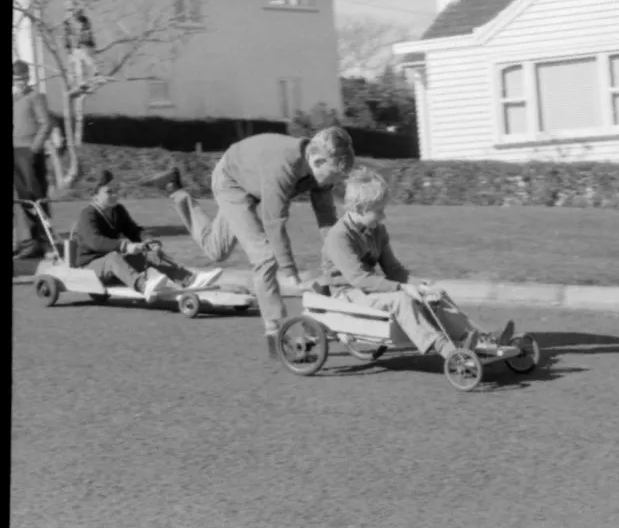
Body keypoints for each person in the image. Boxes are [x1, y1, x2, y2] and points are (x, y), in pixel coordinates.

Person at [141, 127, 355, 361]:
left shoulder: (319, 169)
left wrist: (343, 256)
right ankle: (277, 335)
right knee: (265, 258)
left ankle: (174, 188)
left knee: (216, 250)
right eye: (333, 175)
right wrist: (290, 272)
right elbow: (274, 224)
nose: (334, 183)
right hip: (231, 180)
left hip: (253, 180)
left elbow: (327, 219)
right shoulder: (282, 167)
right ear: (317, 160)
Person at [319, 166, 515, 362]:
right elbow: (359, 278)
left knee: (434, 294)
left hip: (368, 289)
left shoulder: (377, 230)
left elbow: (394, 270)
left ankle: (479, 338)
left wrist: (420, 286)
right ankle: (447, 350)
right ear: (360, 208)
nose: (383, 216)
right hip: (348, 294)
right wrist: (402, 288)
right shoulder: (339, 237)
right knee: (401, 300)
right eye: (378, 211)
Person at [75, 170, 224, 301]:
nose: (115, 195)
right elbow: (94, 242)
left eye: (116, 190)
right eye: (109, 192)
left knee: (150, 254)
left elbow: (133, 231)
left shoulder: (117, 210)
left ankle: (189, 280)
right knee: (114, 257)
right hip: (91, 267)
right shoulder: (88, 215)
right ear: (94, 194)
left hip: (115, 263)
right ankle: (144, 286)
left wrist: (148, 241)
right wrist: (124, 246)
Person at [13, 59, 54, 260]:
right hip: (15, 152)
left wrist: (34, 148)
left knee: (36, 197)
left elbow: (46, 123)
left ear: (28, 77)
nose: (19, 82)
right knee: (22, 199)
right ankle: (29, 244)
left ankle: (46, 242)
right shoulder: (14, 98)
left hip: (29, 153)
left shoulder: (36, 97)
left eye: (22, 78)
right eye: (16, 78)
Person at [63, 0, 105, 96]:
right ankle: (82, 83)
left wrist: (88, 42)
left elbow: (87, 32)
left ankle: (95, 75)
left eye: (72, 11)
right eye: (69, 11)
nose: (72, 14)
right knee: (77, 63)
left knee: (86, 58)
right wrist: (68, 47)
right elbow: (67, 35)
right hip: (75, 47)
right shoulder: (67, 21)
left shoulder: (83, 20)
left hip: (83, 45)